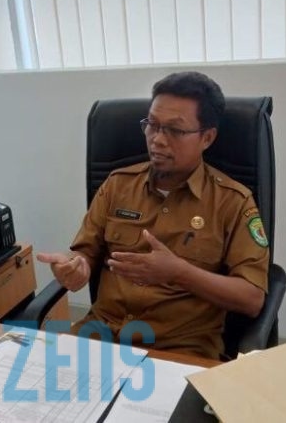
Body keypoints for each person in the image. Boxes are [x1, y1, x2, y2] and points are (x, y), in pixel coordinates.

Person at [37, 71, 269, 359]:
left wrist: (180, 273)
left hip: (180, 349)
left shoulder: (232, 202)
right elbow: (85, 253)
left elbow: (252, 299)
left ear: (207, 138)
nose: (157, 140)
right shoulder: (117, 185)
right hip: (100, 336)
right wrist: (76, 267)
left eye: (175, 130)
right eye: (152, 125)